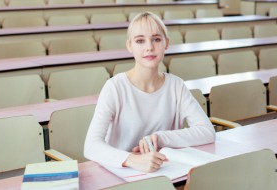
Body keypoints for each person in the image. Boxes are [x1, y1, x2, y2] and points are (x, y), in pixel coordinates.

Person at [84, 12, 215, 173]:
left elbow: (207, 131)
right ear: (129, 45)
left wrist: (161, 138)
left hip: (165, 171)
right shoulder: (114, 87)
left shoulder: (176, 85)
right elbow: (91, 146)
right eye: (140, 41)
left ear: (166, 43)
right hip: (123, 173)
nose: (149, 47)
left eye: (156, 39)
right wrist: (132, 160)